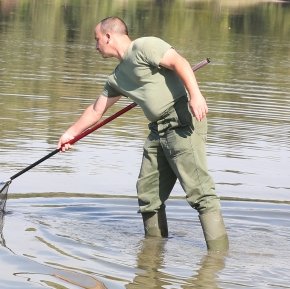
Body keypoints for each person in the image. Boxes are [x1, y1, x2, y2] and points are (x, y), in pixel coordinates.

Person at [57, 16, 229, 251]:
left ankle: (219, 258)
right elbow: (96, 110)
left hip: (181, 120)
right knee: (148, 195)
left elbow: (180, 63)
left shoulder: (145, 46)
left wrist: (196, 95)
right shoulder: (117, 77)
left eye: (97, 40)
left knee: (200, 192)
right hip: (158, 130)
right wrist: (70, 134)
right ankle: (153, 256)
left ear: (109, 36)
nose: (95, 46)